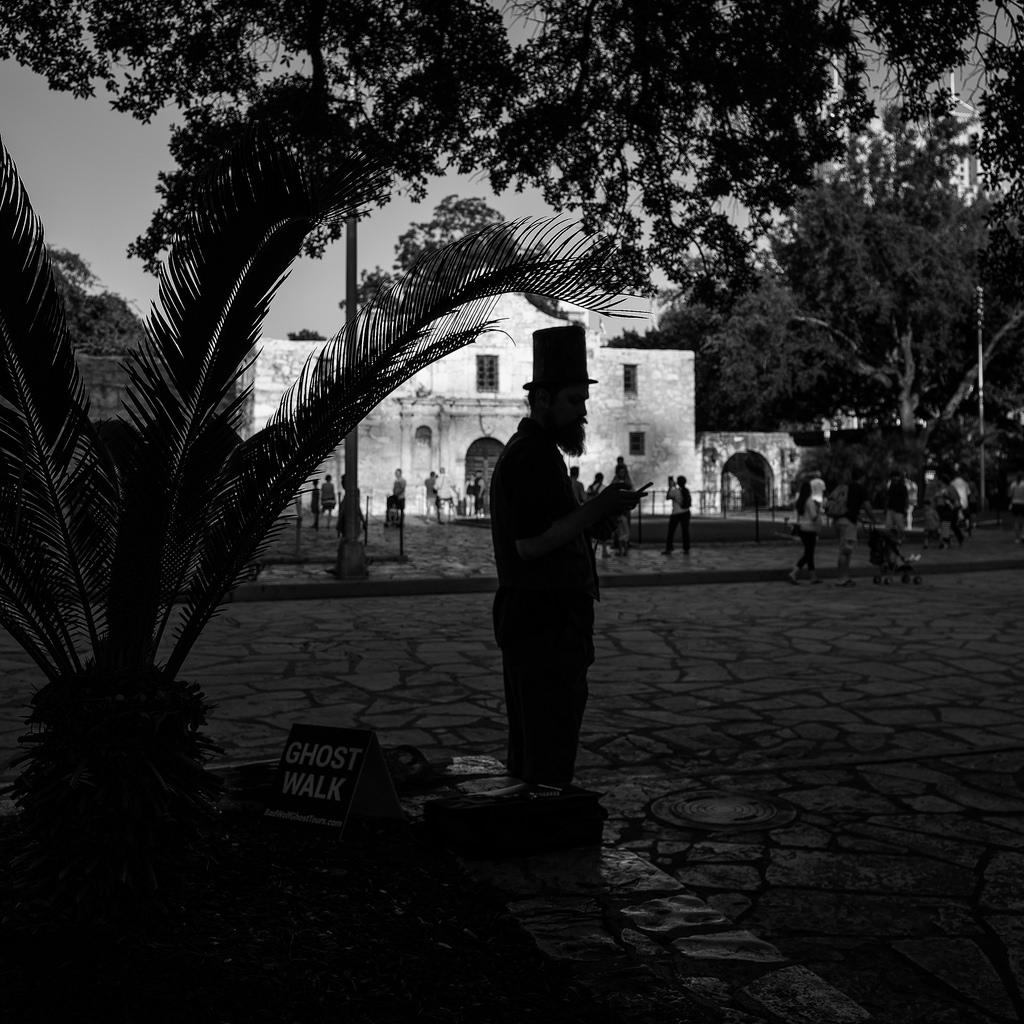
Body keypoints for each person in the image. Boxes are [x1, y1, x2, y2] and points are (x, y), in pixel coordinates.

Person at [489, 324, 651, 791]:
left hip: (545, 618)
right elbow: (530, 544)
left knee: (539, 744)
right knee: (546, 747)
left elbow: (556, 530)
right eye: (573, 401)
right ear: (542, 400)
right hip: (544, 621)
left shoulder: (539, 453)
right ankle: (544, 844)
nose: (582, 412)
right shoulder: (532, 456)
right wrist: (598, 508)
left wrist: (595, 519)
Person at [832, 466, 876, 587]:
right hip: (848, 522)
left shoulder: (846, 487)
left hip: (838, 520)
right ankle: (841, 578)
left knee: (845, 550)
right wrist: (873, 518)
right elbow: (867, 507)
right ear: (862, 478)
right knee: (845, 551)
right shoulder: (861, 489)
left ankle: (844, 577)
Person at [787, 478, 822, 584]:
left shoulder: (800, 502)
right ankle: (794, 572)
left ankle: (813, 576)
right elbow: (813, 516)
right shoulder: (810, 501)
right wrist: (819, 511)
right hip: (810, 529)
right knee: (808, 553)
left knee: (809, 552)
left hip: (802, 528)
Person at [662, 474, 692, 555]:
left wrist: (670, 487)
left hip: (676, 513)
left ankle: (669, 548)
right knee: (685, 531)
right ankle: (686, 548)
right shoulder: (686, 490)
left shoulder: (675, 491)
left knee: (671, 532)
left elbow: (668, 497)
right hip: (686, 512)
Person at [884, 470, 909, 543]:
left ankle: (901, 537)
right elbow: (888, 497)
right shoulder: (891, 486)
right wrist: (886, 507)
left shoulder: (903, 487)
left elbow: (906, 499)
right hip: (891, 508)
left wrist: (905, 509)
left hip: (899, 509)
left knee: (900, 525)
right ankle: (893, 538)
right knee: (889, 525)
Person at [1008, 472, 1024, 543]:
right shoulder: (1023, 484)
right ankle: (1023, 535)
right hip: (1022, 503)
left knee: (1016, 521)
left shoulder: (1013, 484)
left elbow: (1010, 495)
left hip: (1015, 503)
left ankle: (1017, 538)